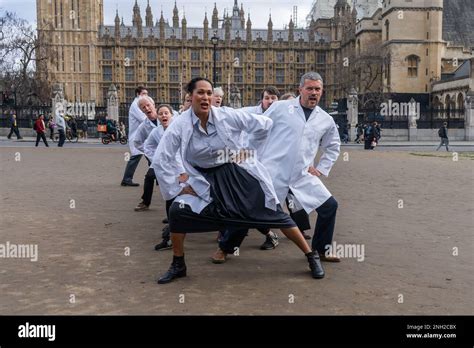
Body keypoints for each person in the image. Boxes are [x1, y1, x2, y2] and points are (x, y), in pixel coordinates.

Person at [152, 77, 324, 284]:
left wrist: (248, 150)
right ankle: (178, 264)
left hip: (236, 173)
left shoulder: (226, 115)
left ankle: (310, 255)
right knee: (177, 212)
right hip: (204, 179)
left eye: (209, 93)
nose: (205, 97)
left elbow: (264, 124)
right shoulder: (180, 124)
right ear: (190, 96)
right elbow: (162, 158)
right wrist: (177, 188)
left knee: (272, 212)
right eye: (200, 93)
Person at [216, 72, 341, 264]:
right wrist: (248, 152)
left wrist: (322, 168)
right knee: (250, 210)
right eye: (309, 88)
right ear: (300, 89)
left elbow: (333, 145)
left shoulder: (325, 119)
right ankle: (225, 248)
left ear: (322, 91)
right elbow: (259, 128)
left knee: (329, 206)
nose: (313, 93)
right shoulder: (281, 108)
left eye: (317, 89)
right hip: (272, 172)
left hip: (301, 175)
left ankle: (321, 250)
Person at [144, 104, 183, 251]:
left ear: (172, 115)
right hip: (166, 174)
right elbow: (147, 146)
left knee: (181, 205)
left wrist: (183, 170)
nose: (164, 116)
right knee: (170, 203)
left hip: (182, 172)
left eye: (166, 113)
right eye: (160, 114)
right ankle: (170, 238)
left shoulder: (178, 128)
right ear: (158, 117)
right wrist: (157, 160)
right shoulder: (156, 132)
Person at [133, 96, 160, 212]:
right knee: (149, 177)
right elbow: (137, 142)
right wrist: (149, 152)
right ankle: (145, 202)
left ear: (154, 105)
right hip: (156, 158)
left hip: (174, 156)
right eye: (143, 107)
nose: (146, 108)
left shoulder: (167, 116)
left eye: (148, 105)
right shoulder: (143, 126)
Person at [121, 86, 148, 186]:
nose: (146, 96)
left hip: (143, 136)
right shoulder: (136, 105)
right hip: (137, 136)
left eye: (147, 94)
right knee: (136, 157)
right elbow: (143, 118)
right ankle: (126, 179)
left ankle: (157, 178)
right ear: (138, 94)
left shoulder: (140, 104)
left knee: (152, 157)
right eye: (144, 93)